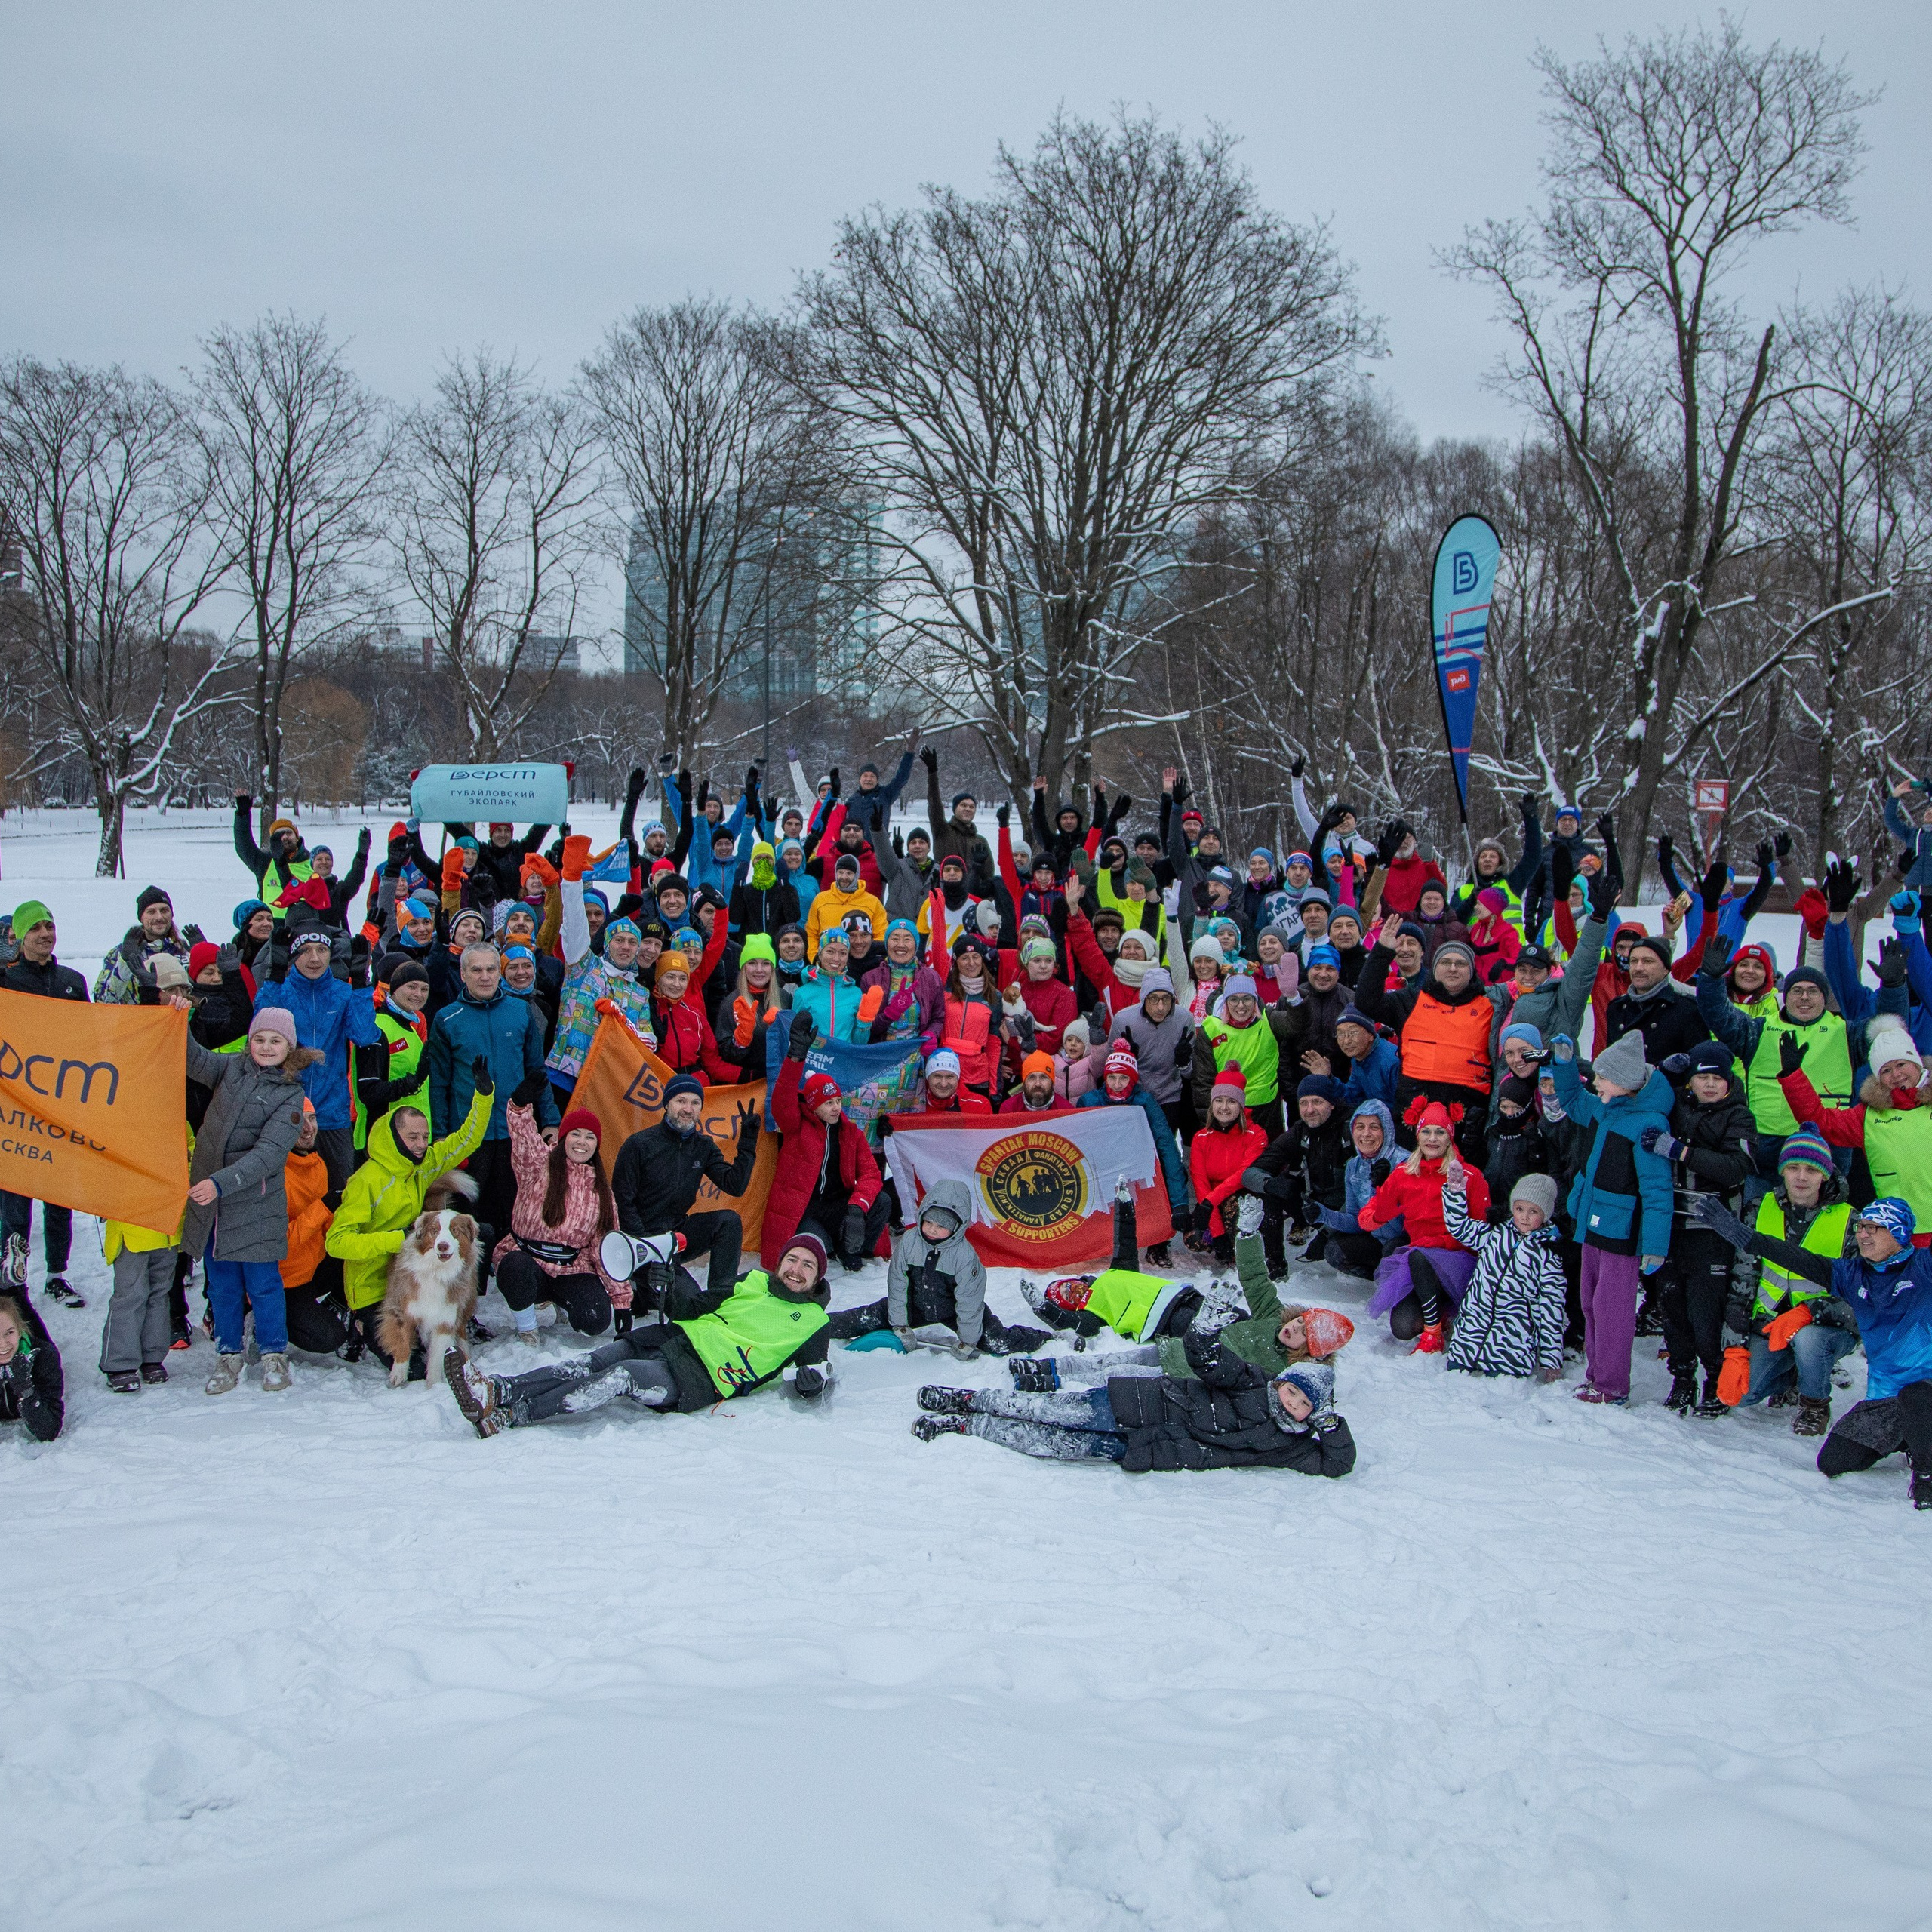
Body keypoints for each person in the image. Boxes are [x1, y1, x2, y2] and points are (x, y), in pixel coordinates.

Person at [448, 1229, 837, 1435]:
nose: (796, 1270)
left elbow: (816, 1375)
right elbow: (696, 1308)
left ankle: (512, 1416)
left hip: (705, 1376)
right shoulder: (752, 1280)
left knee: (622, 1376)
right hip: (675, 1339)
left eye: (807, 1265)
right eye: (791, 1259)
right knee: (593, 1361)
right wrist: (668, 1285)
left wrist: (812, 1384)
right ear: (779, 1262)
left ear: (818, 1276)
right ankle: (498, 1390)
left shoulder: (814, 1323)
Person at [1694, 1192, 1932, 1509]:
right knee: (1834, 1462)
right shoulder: (1851, 1274)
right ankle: (1914, 1436)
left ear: (1899, 1233)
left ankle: (1927, 1474)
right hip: (1887, 1396)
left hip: (1927, 1389)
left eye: (1874, 1228)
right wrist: (1741, 1234)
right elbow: (1793, 1256)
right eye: (1861, 1226)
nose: (1863, 1234)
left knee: (1917, 1396)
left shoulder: (1924, 1266)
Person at [1014, 1193, 1355, 1393]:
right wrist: (1248, 1235)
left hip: (1187, 1367)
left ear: (1310, 1351)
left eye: (1302, 1332)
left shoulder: (1285, 1371)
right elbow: (1255, 1276)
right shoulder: (1273, 1317)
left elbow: (1310, 1391)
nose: (1292, 1327)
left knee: (1116, 1377)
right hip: (1179, 1341)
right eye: (1299, 1321)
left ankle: (1050, 1382)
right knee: (1111, 1362)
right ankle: (1046, 1368)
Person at [912, 1345, 1356, 1477]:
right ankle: (967, 1399)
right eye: (1293, 1393)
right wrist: (1208, 1326)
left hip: (1149, 1448)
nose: (1293, 1404)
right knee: (1047, 1410)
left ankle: (967, 1426)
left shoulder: (1289, 1444)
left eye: (1304, 1406)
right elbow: (1207, 1358)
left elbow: (1336, 1464)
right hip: (1137, 1404)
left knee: (1052, 1443)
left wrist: (1331, 1426)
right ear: (1282, 1382)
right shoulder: (1251, 1380)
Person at [183, 1005, 322, 1395]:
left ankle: (274, 1352)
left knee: (263, 1285)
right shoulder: (231, 1068)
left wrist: (219, 1183)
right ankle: (228, 1353)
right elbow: (193, 1059)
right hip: (215, 1204)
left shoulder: (290, 1095)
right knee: (222, 1285)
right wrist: (178, 1020)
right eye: (259, 1039)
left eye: (275, 1041)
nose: (266, 1046)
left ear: (289, 1047)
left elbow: (268, 1155)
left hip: (256, 1204)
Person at [325, 1070, 494, 1368]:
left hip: (414, 1277)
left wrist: (483, 1097)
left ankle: (459, 1315)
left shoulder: (421, 1165)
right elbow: (336, 1242)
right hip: (374, 1287)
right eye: (412, 1137)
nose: (421, 1144)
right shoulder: (366, 1181)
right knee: (413, 1368)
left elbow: (465, 1141)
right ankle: (358, 1321)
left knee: (485, 1233)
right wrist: (397, 1240)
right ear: (394, 1136)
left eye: (425, 1137)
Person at [1548, 1029, 1675, 1404]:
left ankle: (1612, 1385)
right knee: (1589, 1301)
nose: (1596, 1082)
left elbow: (1657, 1189)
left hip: (1622, 1231)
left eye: (1603, 1077)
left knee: (1612, 1310)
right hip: (1591, 1219)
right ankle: (1596, 1376)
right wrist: (1564, 1064)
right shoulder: (1605, 1107)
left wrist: (1655, 1245)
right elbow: (1572, 1099)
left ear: (1625, 1082)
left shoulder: (1649, 1123)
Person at [1713, 1125, 1857, 1436]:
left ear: (1825, 1175)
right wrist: (1735, 1346)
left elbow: (1860, 1294)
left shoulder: (1851, 1220)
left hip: (1826, 1326)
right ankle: (1795, 1377)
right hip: (1769, 1324)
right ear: (1782, 1171)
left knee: (1809, 1341)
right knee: (1741, 1396)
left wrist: (1809, 1313)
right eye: (1793, 1168)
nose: (1801, 1177)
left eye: (1811, 1170)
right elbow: (1743, 1278)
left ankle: (1814, 1404)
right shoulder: (1758, 1208)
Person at [1645, 1039, 1759, 1414]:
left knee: (1705, 1311)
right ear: (1690, 1081)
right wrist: (1664, 1072)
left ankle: (1714, 1377)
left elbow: (1736, 1168)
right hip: (1670, 1224)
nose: (1710, 1085)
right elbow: (1645, 1096)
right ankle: (1682, 1378)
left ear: (1730, 1081)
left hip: (1712, 1227)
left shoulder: (1739, 1116)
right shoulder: (1678, 1103)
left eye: (1717, 1078)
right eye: (1702, 1077)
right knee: (1672, 1306)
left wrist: (1680, 1151)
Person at [426, 940, 557, 1251]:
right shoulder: (447, 1018)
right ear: (463, 974)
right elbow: (439, 1083)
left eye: (490, 969)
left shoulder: (520, 1011)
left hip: (515, 1130)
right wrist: (441, 1134)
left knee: (516, 1205)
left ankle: (512, 1264)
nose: (484, 977)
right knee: (469, 1209)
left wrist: (551, 1119)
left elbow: (537, 1071)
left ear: (499, 972)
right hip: (469, 1133)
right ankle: (472, 1268)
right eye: (476, 970)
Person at [829, 1180, 1050, 1355]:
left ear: (957, 1226)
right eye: (929, 1222)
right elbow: (898, 1284)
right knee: (859, 1319)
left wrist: (968, 1341)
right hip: (912, 1304)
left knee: (997, 1342)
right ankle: (815, 1324)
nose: (932, 1229)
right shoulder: (910, 1242)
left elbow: (970, 1302)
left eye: (942, 1225)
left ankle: (1044, 1338)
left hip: (955, 1311)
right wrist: (900, 1324)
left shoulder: (965, 1257)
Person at [1694, 934, 1851, 1175]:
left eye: (1813, 991)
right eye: (1797, 991)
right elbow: (1719, 1016)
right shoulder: (1759, 1029)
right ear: (1785, 996)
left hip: (1827, 1144)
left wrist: (1894, 987)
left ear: (1825, 997)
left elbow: (1890, 1033)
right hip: (1766, 1145)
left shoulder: (1847, 1032)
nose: (1805, 997)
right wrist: (1710, 981)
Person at [1355, 916, 1506, 1167]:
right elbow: (1366, 1001)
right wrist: (1382, 952)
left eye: (1460, 964)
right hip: (1414, 1106)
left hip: (1468, 1113)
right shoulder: (1412, 999)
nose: (1453, 968)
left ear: (1471, 971)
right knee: (1414, 1177)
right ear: (1434, 969)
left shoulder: (1491, 1005)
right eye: (1445, 962)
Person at [491, 1077, 626, 1342]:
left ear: (597, 1145)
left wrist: (621, 1300)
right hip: (528, 1262)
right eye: (575, 1134)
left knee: (595, 1320)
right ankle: (527, 1327)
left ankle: (562, 1302)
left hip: (570, 1268)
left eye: (589, 1137)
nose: (581, 1142)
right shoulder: (538, 1164)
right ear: (564, 1137)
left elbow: (606, 1249)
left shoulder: (602, 1191)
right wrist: (519, 1106)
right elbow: (524, 1137)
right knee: (514, 1267)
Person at [1, 899, 88, 1308]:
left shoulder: (73, 980)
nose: (45, 934)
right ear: (18, 936)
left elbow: (92, 1040)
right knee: (15, 1204)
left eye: (49, 926)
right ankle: (13, 1284)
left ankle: (56, 1276)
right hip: (16, 1111)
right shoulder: (6, 981)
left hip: (62, 1106)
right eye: (35, 928)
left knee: (59, 1199)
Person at [252, 924, 383, 1192]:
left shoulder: (342, 993)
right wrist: (275, 975)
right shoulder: (279, 992)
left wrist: (361, 982)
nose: (314, 958)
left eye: (322, 950)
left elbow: (364, 1035)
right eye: (305, 950)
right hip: (284, 1110)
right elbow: (262, 1031)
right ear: (292, 955)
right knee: (287, 1196)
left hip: (331, 1113)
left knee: (339, 1194)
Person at [611, 1075, 762, 1302]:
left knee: (729, 1221)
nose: (688, 1109)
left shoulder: (703, 1146)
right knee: (690, 1303)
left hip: (676, 1234)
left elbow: (734, 1185)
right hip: (641, 1242)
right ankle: (643, 1286)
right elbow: (623, 1202)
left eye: (695, 1103)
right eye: (681, 1101)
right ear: (667, 1104)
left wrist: (748, 1143)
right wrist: (647, 1250)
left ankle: (721, 1298)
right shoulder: (639, 1144)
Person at [1774, 1020, 1932, 1233]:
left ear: (1917, 1064)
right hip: (1899, 1235)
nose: (1896, 1075)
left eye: (1901, 1064)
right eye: (1886, 1070)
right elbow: (1820, 1120)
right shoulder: (1867, 1116)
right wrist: (1793, 1075)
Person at [1358, 1100, 1491, 1349]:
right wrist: (1381, 1188)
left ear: (1450, 1137)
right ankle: (1441, 1313)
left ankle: (1433, 1333)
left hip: (1458, 1261)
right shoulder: (1404, 1173)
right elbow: (1370, 1218)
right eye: (1426, 1131)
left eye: (1440, 1132)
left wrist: (1440, 1242)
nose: (1432, 1139)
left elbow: (1481, 1232)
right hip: (1419, 1263)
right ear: (1418, 1135)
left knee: (1420, 1256)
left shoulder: (1469, 1176)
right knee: (1403, 1328)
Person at [766, 1016, 890, 1270]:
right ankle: (836, 1244)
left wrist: (857, 1207)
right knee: (816, 1250)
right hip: (805, 1209)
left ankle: (854, 1248)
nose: (835, 1108)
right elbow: (782, 1099)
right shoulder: (796, 1126)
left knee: (882, 1201)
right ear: (813, 1106)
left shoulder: (851, 1134)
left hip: (838, 1206)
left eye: (838, 1101)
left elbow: (871, 1174)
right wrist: (796, 1056)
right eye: (828, 1103)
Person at [1440, 1173, 1568, 1381]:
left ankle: (1503, 1363)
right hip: (1472, 1329)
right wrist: (1455, 1194)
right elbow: (1460, 1227)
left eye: (1533, 1211)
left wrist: (1551, 1360)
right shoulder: (1494, 1233)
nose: (1525, 1217)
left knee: (1501, 1379)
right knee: (1456, 1372)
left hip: (1511, 1339)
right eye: (1520, 1209)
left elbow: (1552, 1308)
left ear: (1545, 1215)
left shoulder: (1548, 1253)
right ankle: (1466, 1354)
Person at [1076, 1044, 1188, 1260]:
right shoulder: (1089, 1102)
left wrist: (1180, 1203)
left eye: (1124, 1078)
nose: (1117, 1085)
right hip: (1101, 1170)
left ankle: (1157, 1242)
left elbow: (1166, 1147)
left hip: (1136, 1169)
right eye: (1112, 1078)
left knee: (1161, 1171)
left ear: (1133, 1080)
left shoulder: (1145, 1103)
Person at [1186, 1066, 1270, 1261]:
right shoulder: (1201, 1138)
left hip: (1241, 1197)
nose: (1224, 1107)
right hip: (1212, 1203)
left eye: (1231, 1101)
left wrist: (1209, 1203)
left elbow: (1243, 1175)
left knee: (1235, 1205)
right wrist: (1217, 1234)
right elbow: (1201, 1184)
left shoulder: (1256, 1135)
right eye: (1219, 1100)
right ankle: (1224, 1240)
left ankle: (1243, 1245)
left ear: (1241, 1105)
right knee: (1194, 1240)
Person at [1312, 1101, 1402, 1280]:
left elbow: (1405, 1225)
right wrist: (1322, 1214)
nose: (1366, 1133)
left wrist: (1384, 1188)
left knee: (1392, 1249)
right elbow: (1356, 1220)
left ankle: (1400, 1284)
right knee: (1335, 1251)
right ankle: (1382, 1279)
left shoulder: (1404, 1163)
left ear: (1387, 1130)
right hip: (1376, 1239)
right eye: (1360, 1127)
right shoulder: (1354, 1166)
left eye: (1374, 1127)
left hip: (1405, 1242)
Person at [93, 884, 195, 1004]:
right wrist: (124, 965)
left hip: (182, 1014)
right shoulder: (121, 952)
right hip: (139, 1015)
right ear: (141, 918)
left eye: (164, 910)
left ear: (172, 914)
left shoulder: (184, 950)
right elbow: (102, 1001)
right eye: (151, 912)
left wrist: (203, 955)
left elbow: (205, 995)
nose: (159, 917)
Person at [0, 1291, 63, 1441]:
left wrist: (25, 1389)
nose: (2, 1344)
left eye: (9, 1333)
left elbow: (49, 1431)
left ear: (19, 1330)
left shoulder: (44, 1355)